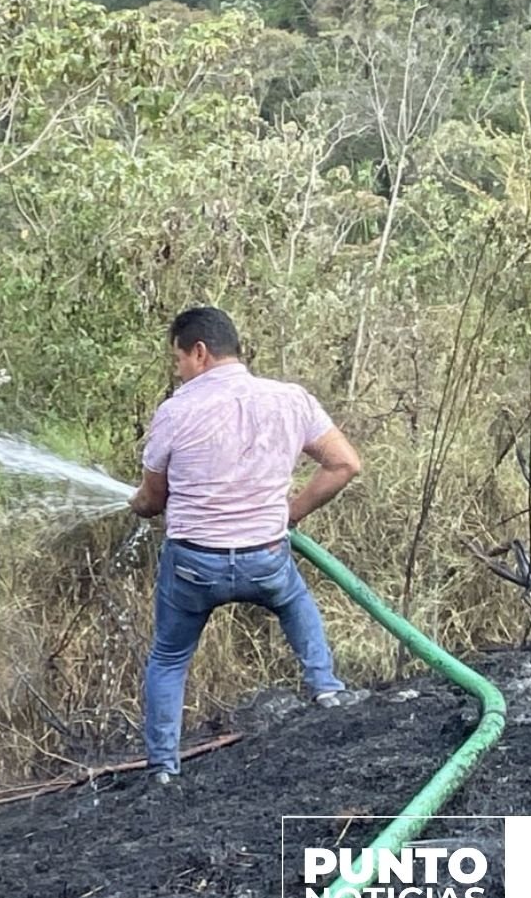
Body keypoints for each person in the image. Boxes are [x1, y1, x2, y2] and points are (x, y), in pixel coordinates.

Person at [127, 307, 364, 784]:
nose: (177, 371)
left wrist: (135, 504)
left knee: (170, 657)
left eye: (178, 359)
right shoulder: (290, 399)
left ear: (200, 352)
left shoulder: (176, 411)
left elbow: (153, 501)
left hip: (195, 567)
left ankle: (162, 769)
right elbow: (344, 464)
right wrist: (288, 514)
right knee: (295, 600)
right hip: (266, 556)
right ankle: (327, 688)